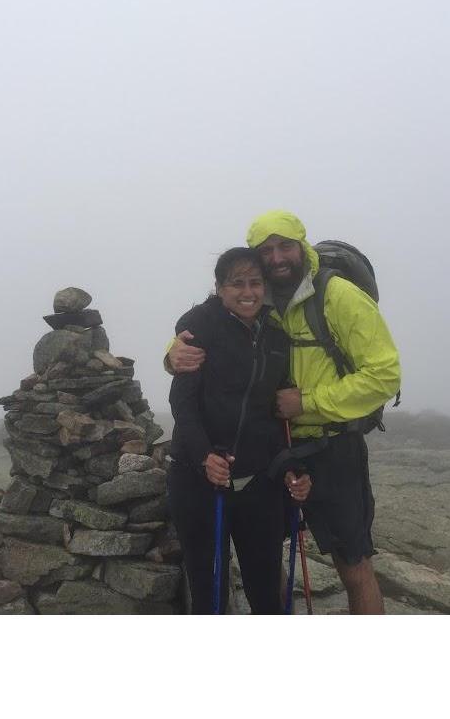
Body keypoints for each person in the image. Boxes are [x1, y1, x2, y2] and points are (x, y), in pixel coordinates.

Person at [168, 211, 401, 614]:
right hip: (279, 454)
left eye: (285, 246)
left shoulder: (338, 295)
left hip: (332, 445)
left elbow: (385, 375)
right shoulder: (264, 304)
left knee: (352, 563)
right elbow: (200, 346)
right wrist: (172, 357)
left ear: (303, 245)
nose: (277, 258)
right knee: (267, 559)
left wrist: (308, 402)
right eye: (267, 250)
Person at [167, 246, 311, 614]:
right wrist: (204, 457)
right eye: (237, 284)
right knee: (207, 588)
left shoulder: (275, 336)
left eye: (255, 283)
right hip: (197, 480)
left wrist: (292, 468)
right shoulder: (199, 324)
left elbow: (277, 416)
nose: (248, 292)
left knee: (266, 588)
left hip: (258, 482)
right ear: (219, 287)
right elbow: (183, 403)